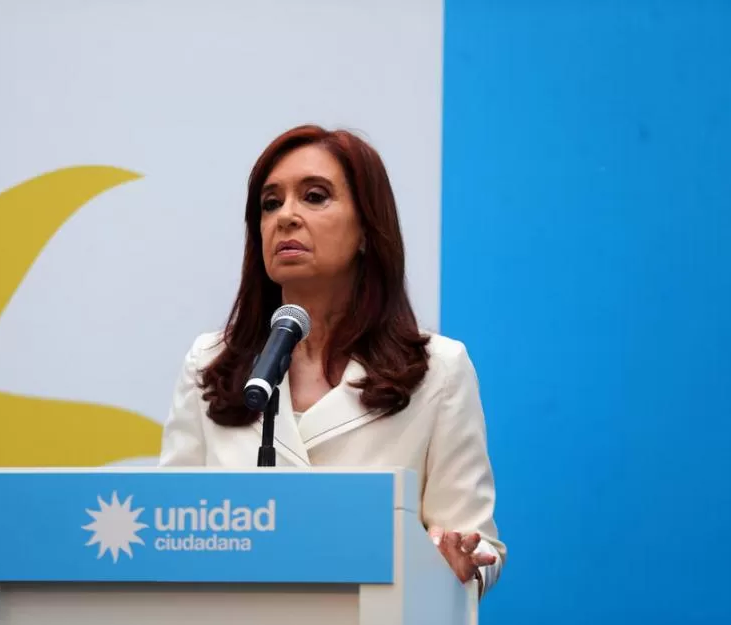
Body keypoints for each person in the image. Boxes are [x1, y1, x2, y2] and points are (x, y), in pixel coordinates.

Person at [158, 124, 505, 596]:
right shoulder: (210, 363)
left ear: (366, 229)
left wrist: (453, 563)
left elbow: (475, 544)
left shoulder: (437, 371)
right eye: (270, 203)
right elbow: (170, 533)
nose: (286, 217)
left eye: (315, 197)